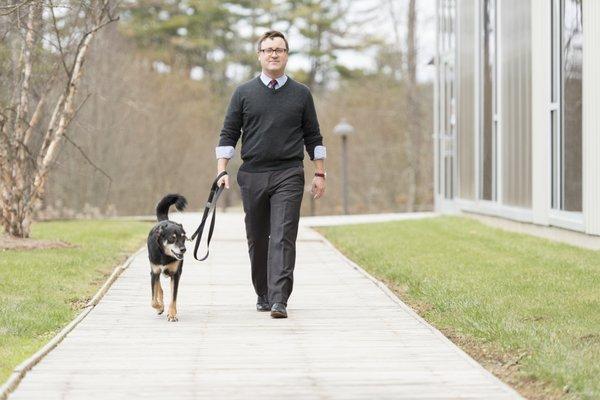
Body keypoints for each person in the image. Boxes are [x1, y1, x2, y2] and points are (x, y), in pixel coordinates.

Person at [215, 30, 327, 319]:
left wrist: (319, 173)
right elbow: (229, 133)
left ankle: (279, 299)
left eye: (279, 49)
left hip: (288, 172)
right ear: (260, 56)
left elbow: (313, 136)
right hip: (252, 173)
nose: (273, 54)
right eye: (268, 49)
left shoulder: (301, 93)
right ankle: (263, 293)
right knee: (257, 237)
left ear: (287, 55)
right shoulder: (243, 93)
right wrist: (221, 171)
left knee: (283, 235)